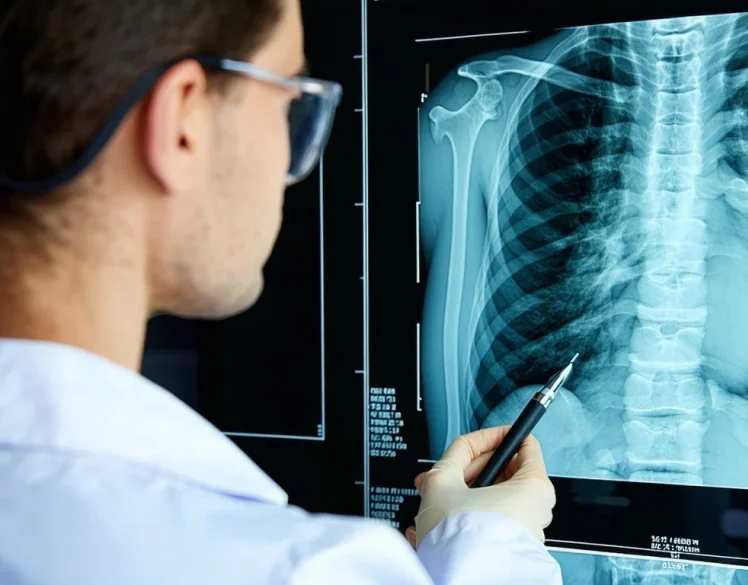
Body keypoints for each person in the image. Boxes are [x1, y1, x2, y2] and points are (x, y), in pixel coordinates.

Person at [0, 0, 561, 583]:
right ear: (182, 124)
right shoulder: (281, 568)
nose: (297, 165)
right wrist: (493, 548)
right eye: (293, 101)